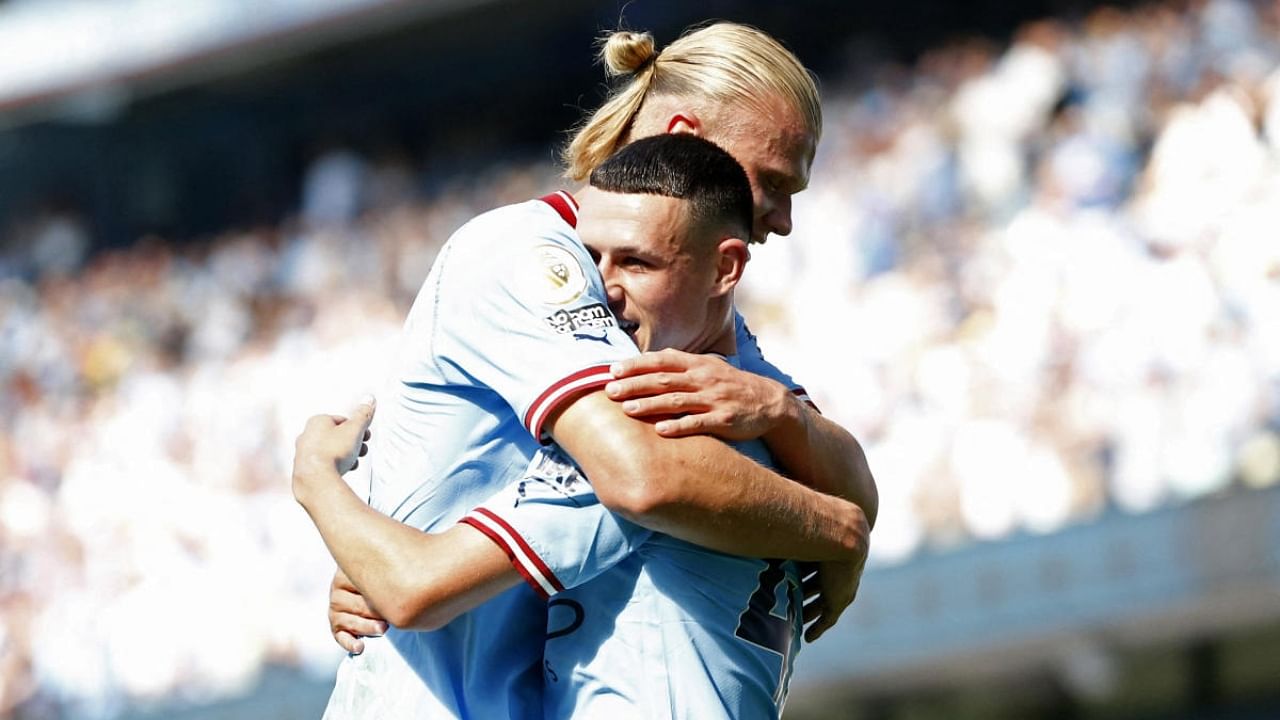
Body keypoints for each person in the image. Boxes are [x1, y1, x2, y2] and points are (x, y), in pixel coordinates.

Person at [310, 23, 876, 720]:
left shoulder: (684, 312)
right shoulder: (525, 253)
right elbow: (645, 477)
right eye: (773, 182)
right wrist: (832, 528)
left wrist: (786, 420)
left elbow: (832, 474)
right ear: (685, 136)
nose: (784, 220)